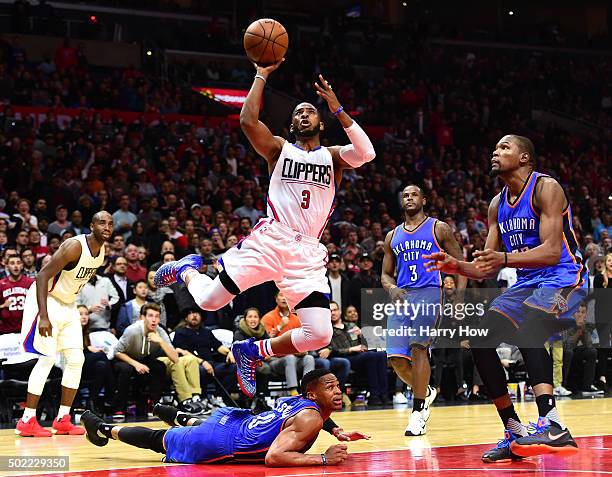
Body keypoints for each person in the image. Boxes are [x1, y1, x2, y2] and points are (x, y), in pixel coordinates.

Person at [154, 61, 376, 397]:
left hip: (308, 253)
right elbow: (247, 121)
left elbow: (367, 152)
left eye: (310, 112)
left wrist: (338, 108)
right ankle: (186, 271)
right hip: (273, 239)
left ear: (320, 121)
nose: (304, 114)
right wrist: (262, 73)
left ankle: (252, 352)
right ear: (291, 125)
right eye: (299, 113)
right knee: (211, 301)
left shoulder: (333, 157)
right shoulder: (277, 149)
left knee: (319, 334)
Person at [424, 135, 586, 460]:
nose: (495, 152)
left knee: (530, 328)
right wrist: (457, 266)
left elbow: (553, 251)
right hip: (527, 282)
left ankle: (552, 424)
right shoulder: (497, 204)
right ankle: (515, 432)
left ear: (525, 157)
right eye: (495, 148)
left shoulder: (546, 188)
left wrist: (505, 260)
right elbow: (487, 266)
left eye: (504, 148)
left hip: (564, 276)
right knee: (480, 341)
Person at [82, 369, 369, 466]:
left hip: (234, 420)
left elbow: (318, 415)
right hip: (221, 442)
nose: (337, 390)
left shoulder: (302, 402)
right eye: (329, 386)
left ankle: (176, 415)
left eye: (337, 386)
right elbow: (273, 458)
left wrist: (337, 430)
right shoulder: (310, 419)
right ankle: (103, 428)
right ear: (312, 394)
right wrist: (323, 459)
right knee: (160, 440)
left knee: (202, 423)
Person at [17, 211, 112, 437]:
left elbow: (73, 281)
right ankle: (27, 420)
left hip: (68, 303)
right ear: (91, 225)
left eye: (110, 223)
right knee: (47, 359)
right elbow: (42, 277)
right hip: (46, 300)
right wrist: (44, 316)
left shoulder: (102, 251)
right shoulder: (74, 247)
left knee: (76, 359)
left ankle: (63, 419)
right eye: (102, 223)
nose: (107, 227)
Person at [382, 184, 466, 435]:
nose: (409, 198)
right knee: (396, 359)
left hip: (429, 292)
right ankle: (426, 391)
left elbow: (460, 262)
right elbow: (385, 274)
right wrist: (391, 288)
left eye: (414, 195)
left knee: (419, 349)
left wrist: (459, 296)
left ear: (424, 200)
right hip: (402, 297)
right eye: (405, 195)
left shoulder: (438, 228)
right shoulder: (392, 235)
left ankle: (417, 412)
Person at [0, 254, 34, 334]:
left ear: (22, 265)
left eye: (18, 263)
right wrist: (3, 306)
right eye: (12, 263)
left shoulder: (31, 283)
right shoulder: (1, 284)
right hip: (5, 331)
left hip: (26, 331)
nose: (16, 266)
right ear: (7, 266)